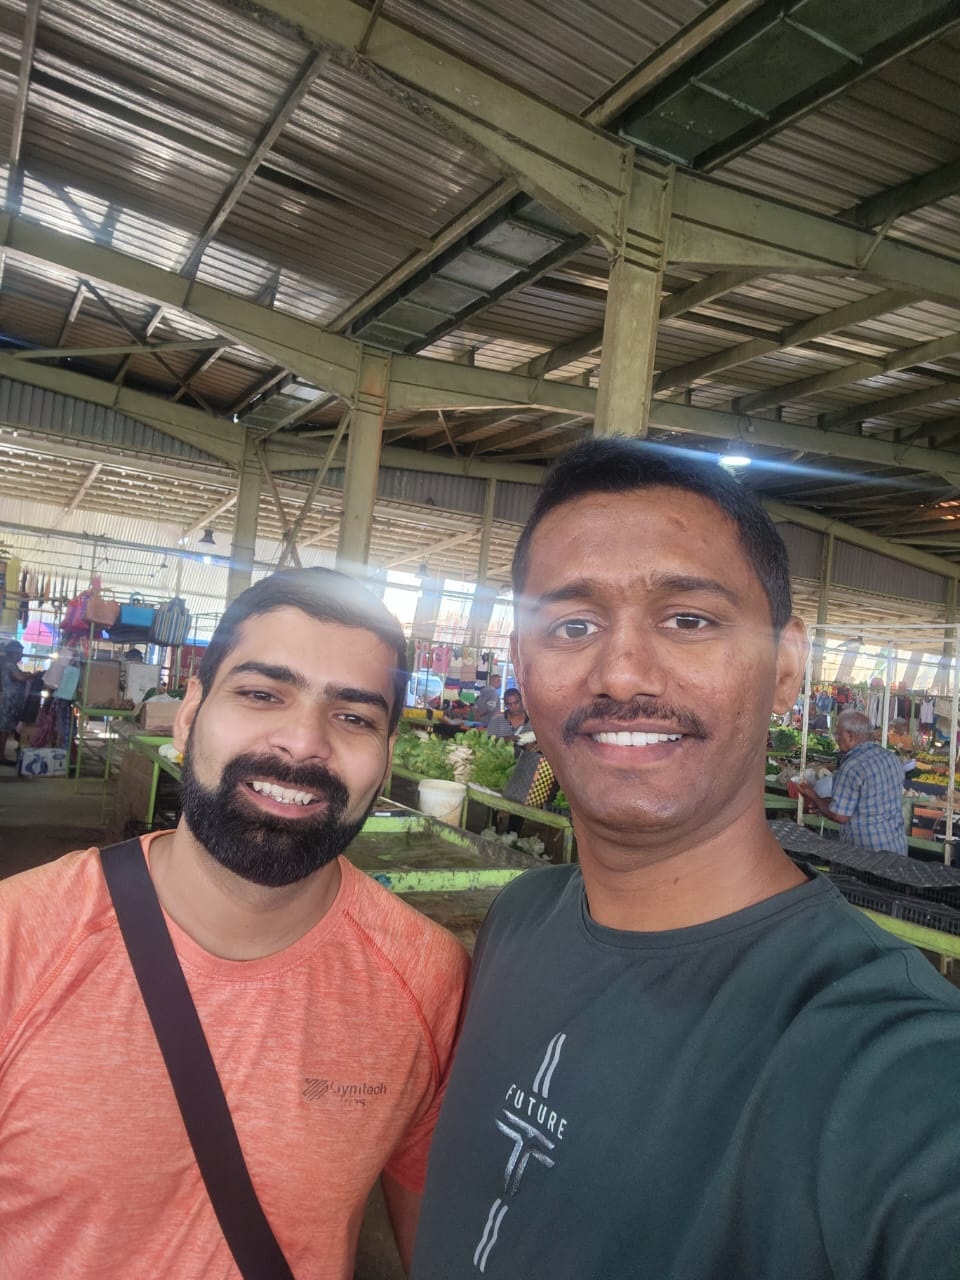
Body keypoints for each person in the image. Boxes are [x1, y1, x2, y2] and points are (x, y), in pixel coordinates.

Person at [411, 438, 960, 1280]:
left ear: (786, 667)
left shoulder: (888, 1061)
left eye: (689, 620)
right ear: (523, 667)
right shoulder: (520, 921)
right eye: (572, 626)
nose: (622, 674)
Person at [0, 568, 468, 1279]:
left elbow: (436, 1245)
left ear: (388, 757)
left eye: (353, 717)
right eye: (261, 694)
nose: (302, 743)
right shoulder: (21, 939)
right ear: (189, 714)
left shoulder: (427, 980)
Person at [798, 709, 909, 856]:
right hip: (896, 847)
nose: (836, 738)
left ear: (850, 736)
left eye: (838, 734)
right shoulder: (890, 758)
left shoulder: (852, 767)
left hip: (866, 855)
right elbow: (870, 801)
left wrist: (813, 796)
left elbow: (840, 816)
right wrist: (826, 805)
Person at [0, 639, 31, 764]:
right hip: (8, 701)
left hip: (9, 701)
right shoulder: (9, 665)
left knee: (5, 729)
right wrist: (33, 675)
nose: (21, 656)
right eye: (19, 653)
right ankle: (1, 757)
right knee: (3, 729)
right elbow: (20, 677)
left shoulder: (10, 664)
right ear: (13, 653)